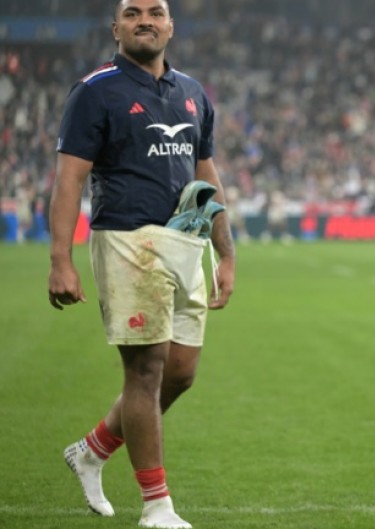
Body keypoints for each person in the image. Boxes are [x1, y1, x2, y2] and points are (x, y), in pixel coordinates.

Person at [47, 1, 236, 527]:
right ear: (116, 28)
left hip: (186, 243)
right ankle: (157, 507)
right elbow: (69, 180)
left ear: (171, 26)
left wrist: (226, 250)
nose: (145, 20)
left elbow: (207, 174)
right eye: (133, 13)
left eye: (156, 12)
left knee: (180, 372)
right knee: (146, 371)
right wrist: (60, 259)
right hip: (126, 239)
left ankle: (91, 451)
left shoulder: (193, 93)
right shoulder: (94, 90)